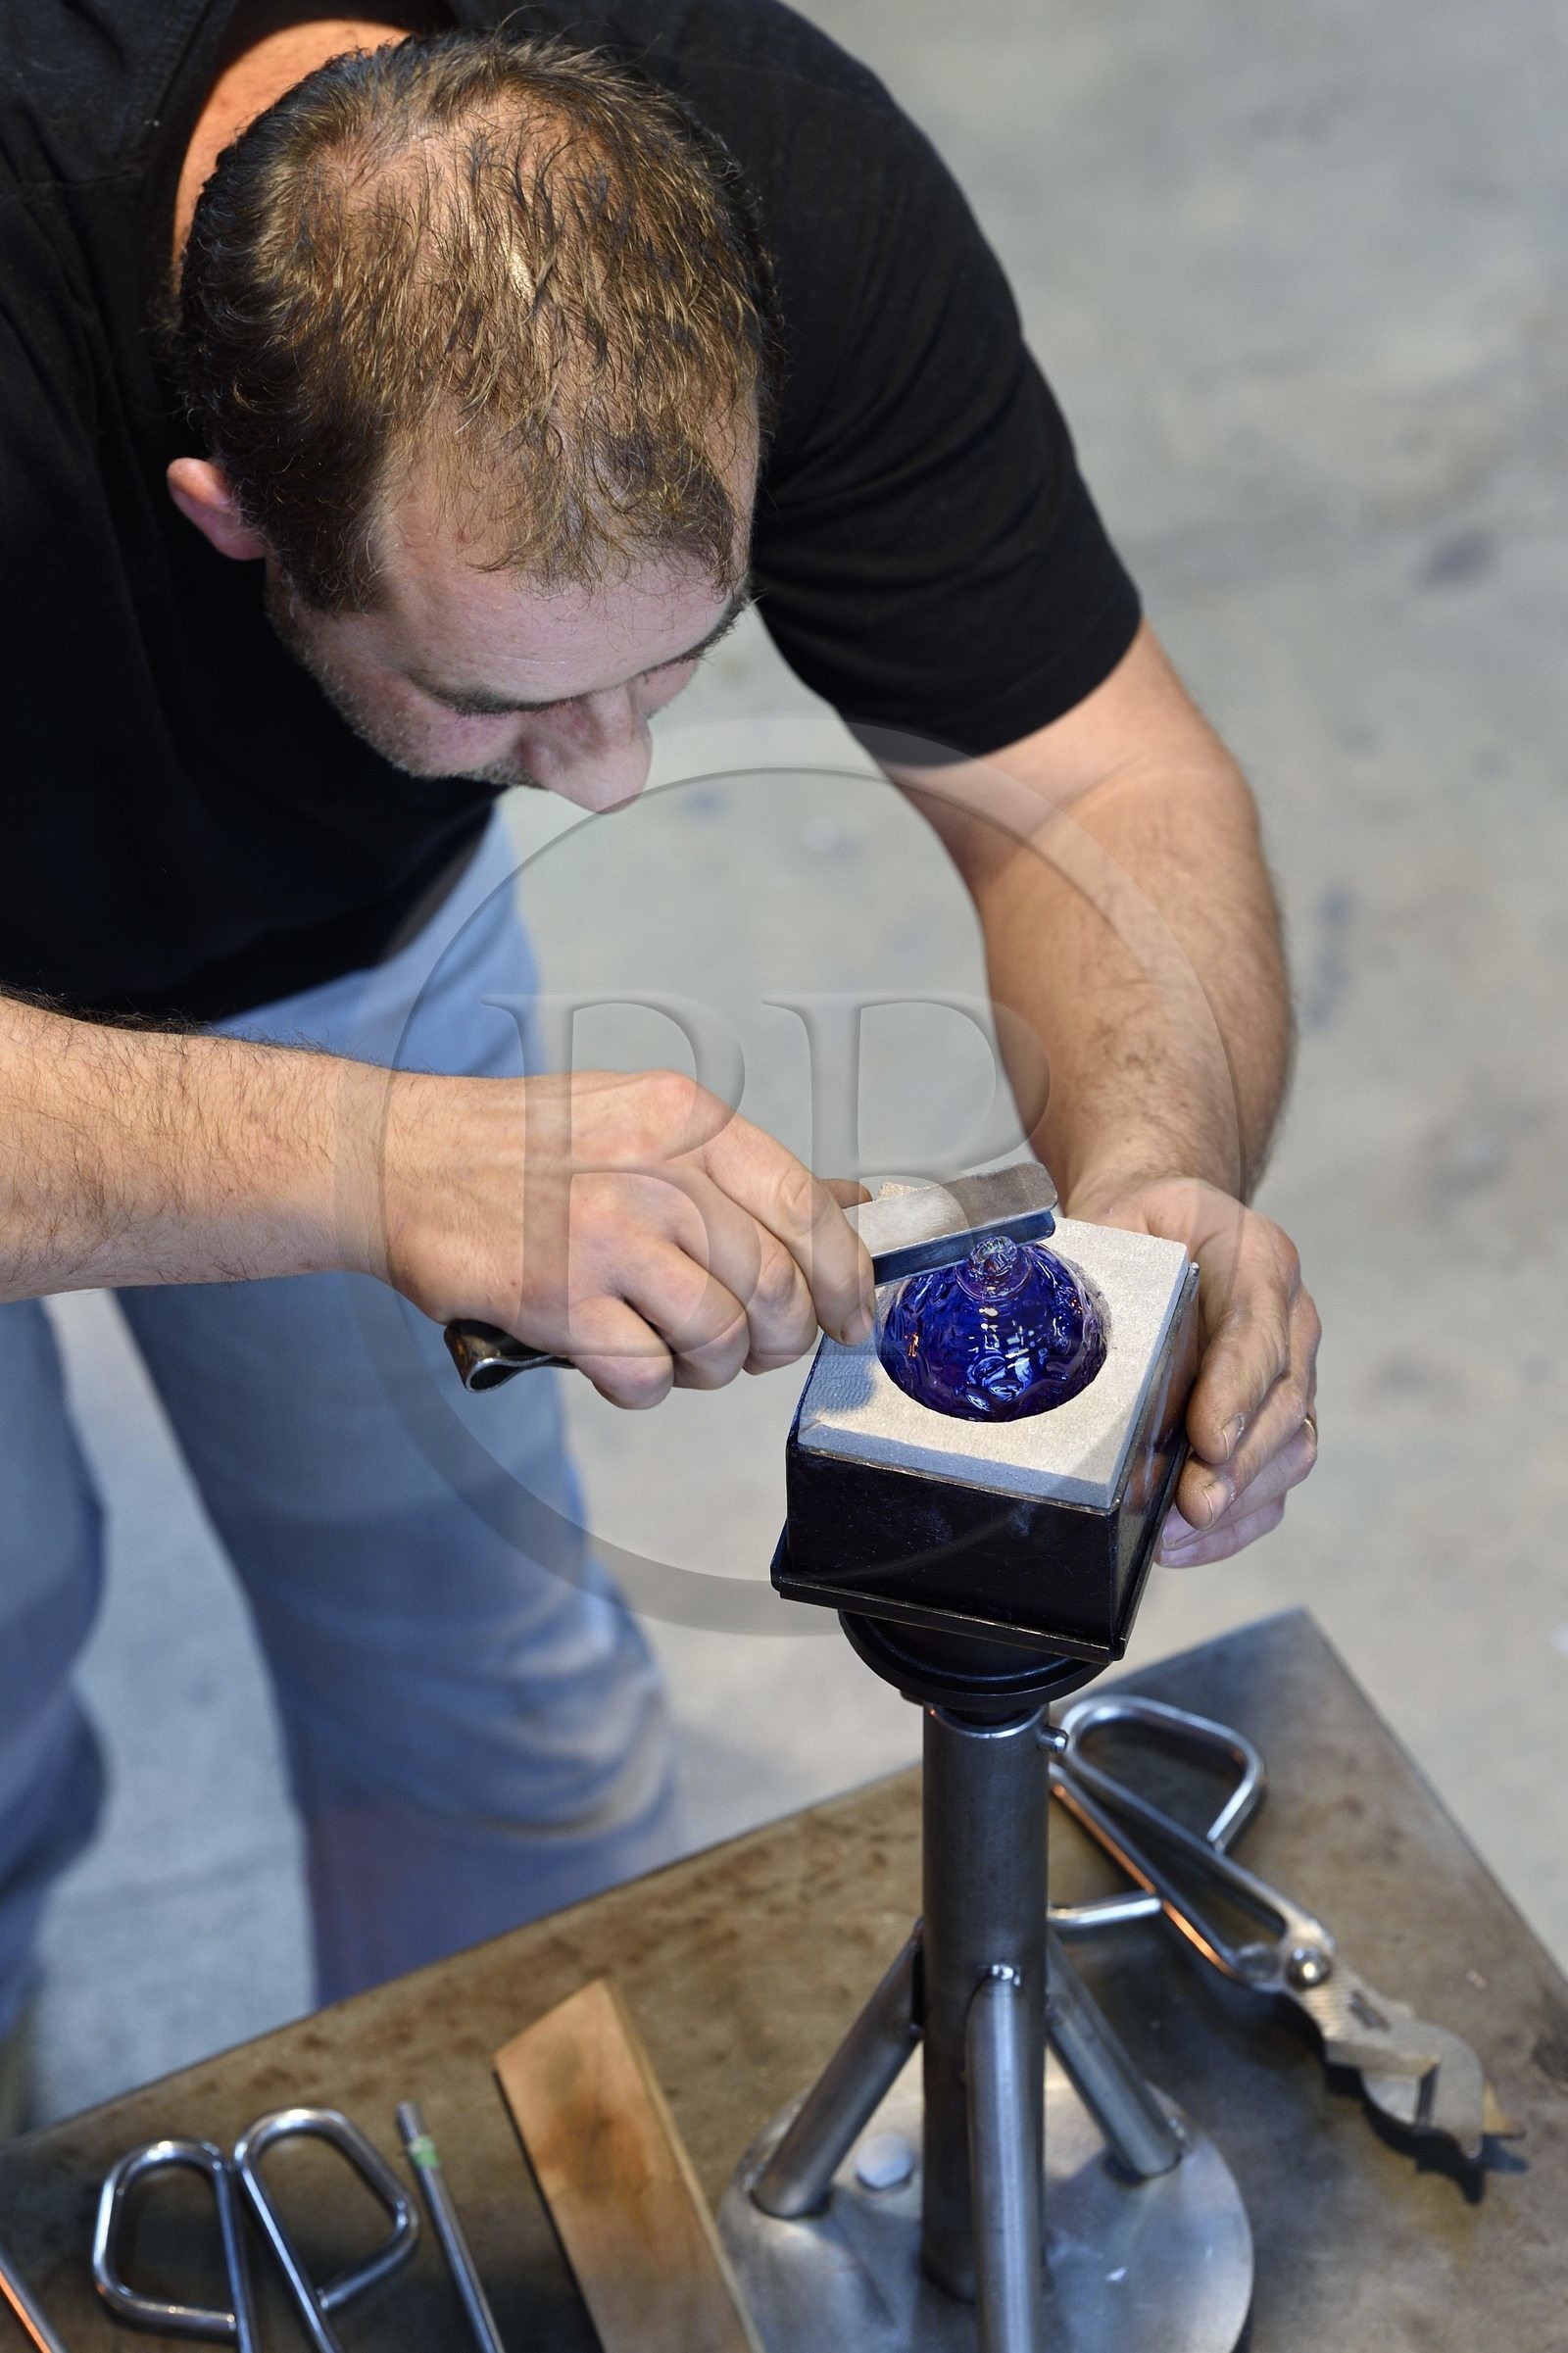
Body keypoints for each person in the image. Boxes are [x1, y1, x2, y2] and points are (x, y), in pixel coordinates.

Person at [0, 0, 1320, 2125]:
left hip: (340, 945)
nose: (610, 781)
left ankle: (510, 2205)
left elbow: (1105, 786)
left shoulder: (779, 187)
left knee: (479, 1687)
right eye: (495, 698)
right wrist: (376, 1163)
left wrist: (1158, 1172)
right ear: (230, 513)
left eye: (674, 664)